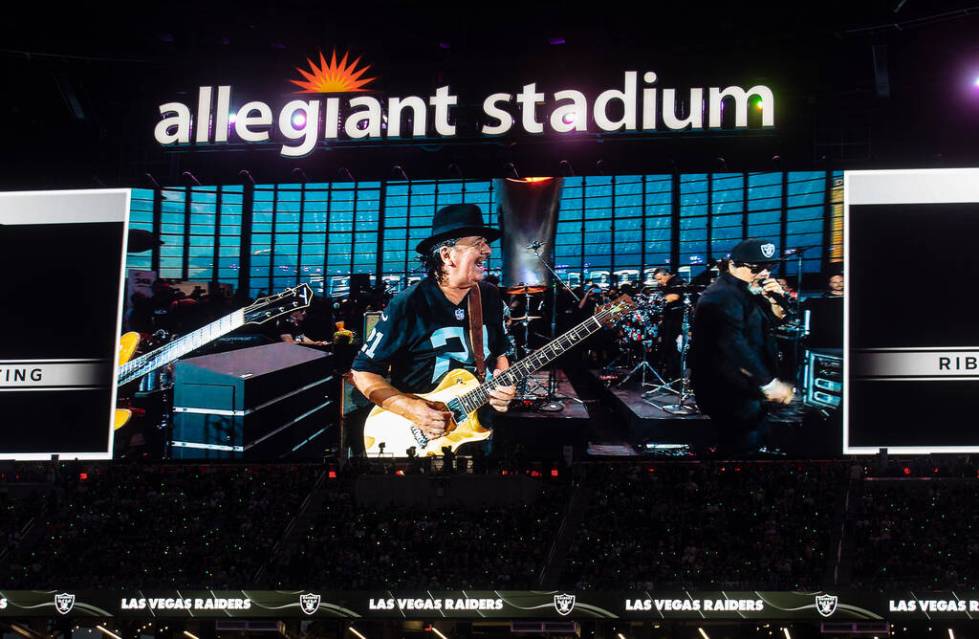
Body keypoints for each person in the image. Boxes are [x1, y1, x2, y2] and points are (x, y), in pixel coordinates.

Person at [350, 204, 516, 443]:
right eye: (478, 243)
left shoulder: (489, 296)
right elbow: (362, 371)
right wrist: (410, 409)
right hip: (419, 436)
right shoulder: (409, 303)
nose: (488, 250)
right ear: (447, 255)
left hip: (479, 428)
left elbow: (500, 354)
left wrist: (504, 387)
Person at [689, 238, 794, 455]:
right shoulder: (720, 295)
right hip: (729, 392)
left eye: (769, 267)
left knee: (748, 444)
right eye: (756, 268)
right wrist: (769, 384)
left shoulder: (748, 290)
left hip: (748, 389)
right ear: (732, 265)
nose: (764, 273)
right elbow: (733, 345)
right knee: (740, 449)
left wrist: (776, 300)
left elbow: (776, 322)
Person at [652, 267, 686, 380]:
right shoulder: (668, 283)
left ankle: (674, 376)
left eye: (660, 279)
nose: (659, 282)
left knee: (672, 347)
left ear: (666, 275)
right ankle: (669, 373)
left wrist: (659, 300)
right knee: (667, 346)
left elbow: (674, 297)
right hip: (669, 318)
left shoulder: (677, 282)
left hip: (675, 320)